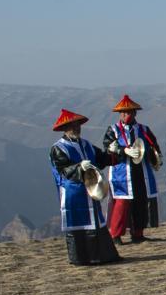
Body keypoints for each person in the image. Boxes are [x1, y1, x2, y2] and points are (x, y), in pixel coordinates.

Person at [49, 109, 121, 266]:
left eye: (77, 125)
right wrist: (79, 167)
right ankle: (81, 258)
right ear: (65, 129)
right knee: (79, 225)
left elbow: (101, 159)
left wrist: (114, 153)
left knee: (96, 222)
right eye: (72, 126)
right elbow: (63, 170)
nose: (76, 128)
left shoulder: (86, 144)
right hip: (73, 194)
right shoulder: (59, 148)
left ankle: (103, 256)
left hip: (90, 191)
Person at [103, 94, 161, 244]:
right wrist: (124, 151)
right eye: (123, 112)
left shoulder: (144, 129)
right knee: (122, 203)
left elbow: (154, 146)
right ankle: (115, 235)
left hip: (141, 172)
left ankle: (138, 233)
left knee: (141, 202)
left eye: (128, 112)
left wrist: (156, 158)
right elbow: (108, 148)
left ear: (135, 113)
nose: (125, 115)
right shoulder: (113, 130)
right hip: (122, 172)